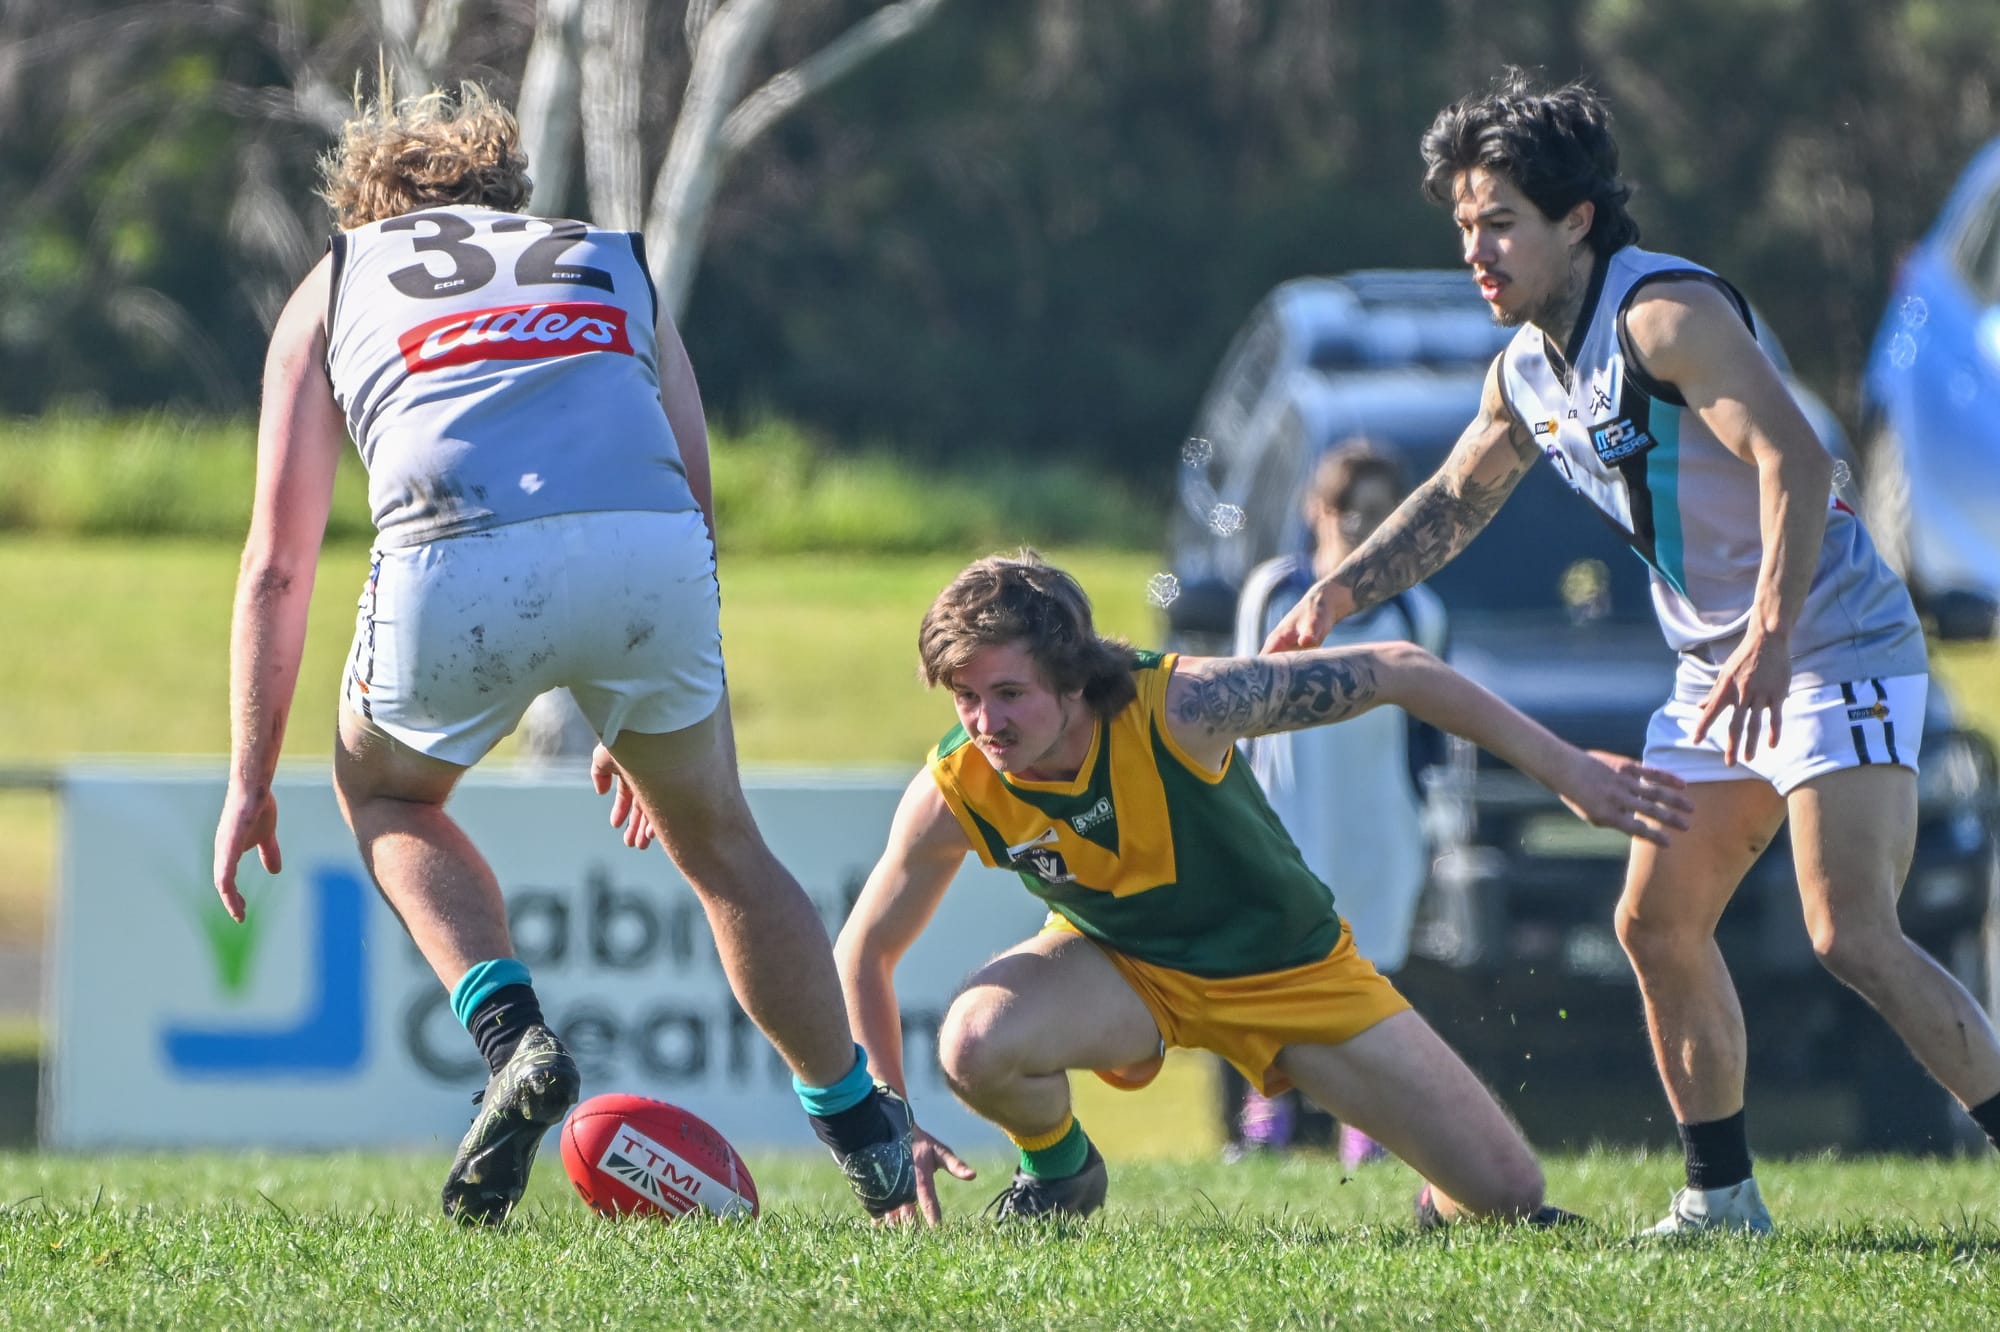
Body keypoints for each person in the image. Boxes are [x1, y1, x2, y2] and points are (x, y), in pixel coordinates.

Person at [1264, 70, 2000, 1234]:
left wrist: (1768, 634)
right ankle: (1720, 1200)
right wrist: (1341, 588)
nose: (1475, 251)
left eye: (1499, 223)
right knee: (1654, 926)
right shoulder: (1522, 370)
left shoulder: (1661, 315)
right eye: (1462, 226)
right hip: (1720, 668)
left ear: (1576, 220)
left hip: (1828, 639)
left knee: (1847, 932)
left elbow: (1795, 460)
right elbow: (1455, 496)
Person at [209, 81, 915, 1225]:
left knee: (388, 797)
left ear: (368, 204)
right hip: (649, 558)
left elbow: (277, 564)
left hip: (453, 551)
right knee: (722, 843)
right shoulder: (608, 257)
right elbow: (693, 496)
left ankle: (514, 1043)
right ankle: (861, 1128)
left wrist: (249, 778)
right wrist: (636, 706)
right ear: (507, 195)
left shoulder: (338, 276)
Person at [832, 551, 1691, 1226]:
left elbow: (1400, 668)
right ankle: (1061, 1174)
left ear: (1073, 676)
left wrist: (1571, 772)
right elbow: (864, 952)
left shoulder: (1183, 706)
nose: (986, 724)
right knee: (974, 1042)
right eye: (966, 697)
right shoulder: (955, 789)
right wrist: (890, 1119)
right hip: (1126, 974)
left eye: (1009, 693)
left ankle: (1441, 1201)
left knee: (1509, 1196)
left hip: (1294, 974)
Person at [1221, 441, 1449, 1168]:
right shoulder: (1273, 592)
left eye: (1376, 511)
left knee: (1369, 973)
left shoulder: (1417, 612)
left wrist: (1432, 822)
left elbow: (1428, 738)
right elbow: (1237, 705)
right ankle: (1266, 1114)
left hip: (1377, 821)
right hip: (1286, 813)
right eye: (1345, 507)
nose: (1357, 524)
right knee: (1271, 965)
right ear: (1316, 510)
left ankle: (1367, 1122)